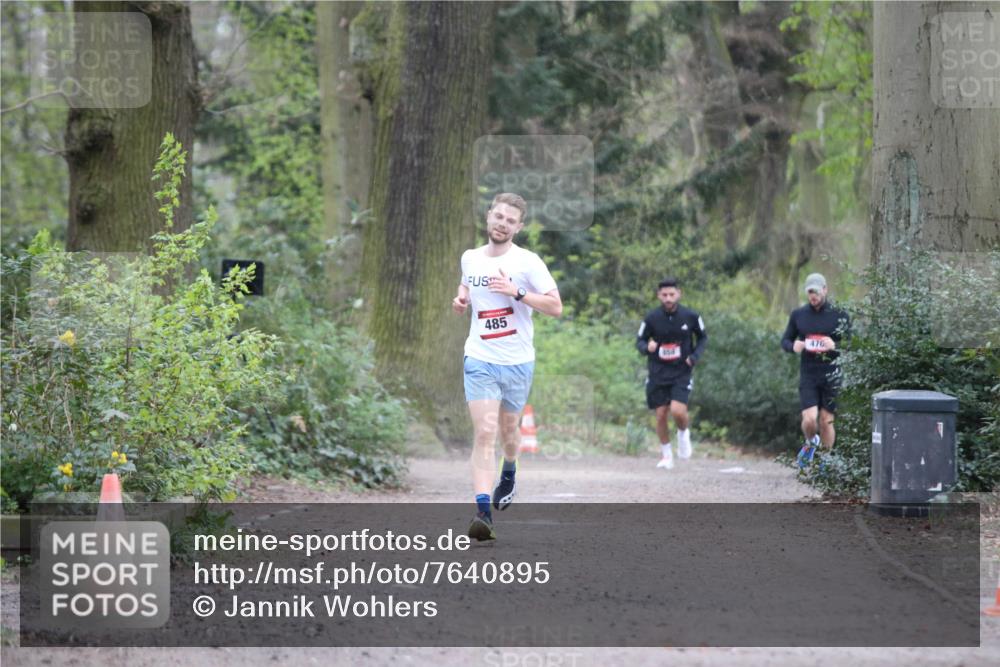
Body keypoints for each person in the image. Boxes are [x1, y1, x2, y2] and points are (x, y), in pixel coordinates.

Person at [452, 192, 562, 541]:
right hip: (480, 357)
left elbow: (555, 307)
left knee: (509, 434)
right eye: (498, 216)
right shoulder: (470, 257)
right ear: (488, 217)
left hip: (517, 362)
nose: (502, 223)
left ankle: (510, 471)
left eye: (510, 220)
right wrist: (462, 299)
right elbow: (467, 283)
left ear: (519, 227)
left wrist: (517, 293)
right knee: (485, 433)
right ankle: (483, 514)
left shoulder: (528, 262)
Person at [780, 273, 851, 468]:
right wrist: (792, 346)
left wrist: (834, 344)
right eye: (810, 292)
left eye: (817, 292)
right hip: (809, 373)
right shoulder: (799, 315)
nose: (813, 296)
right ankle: (812, 442)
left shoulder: (839, 314)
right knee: (810, 420)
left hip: (831, 373)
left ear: (825, 290)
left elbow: (851, 344)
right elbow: (785, 340)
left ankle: (826, 462)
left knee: (826, 420)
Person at [636, 278, 707, 469]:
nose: (668, 298)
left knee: (677, 410)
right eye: (664, 295)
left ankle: (683, 433)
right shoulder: (651, 318)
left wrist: (694, 356)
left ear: (679, 294)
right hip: (658, 372)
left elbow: (702, 338)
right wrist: (646, 347)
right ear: (659, 296)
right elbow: (640, 340)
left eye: (671, 294)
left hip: (681, 371)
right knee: (660, 414)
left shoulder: (691, 316)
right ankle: (667, 455)